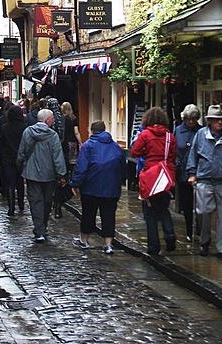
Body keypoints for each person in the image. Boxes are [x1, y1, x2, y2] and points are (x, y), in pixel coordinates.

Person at [186, 104, 222, 261]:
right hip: (204, 178)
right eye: (216, 120)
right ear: (210, 121)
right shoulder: (201, 134)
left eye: (221, 120)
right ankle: (205, 240)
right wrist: (192, 173)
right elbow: (193, 155)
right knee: (203, 211)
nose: (220, 123)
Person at [70, 120, 126, 254]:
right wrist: (119, 181)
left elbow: (81, 167)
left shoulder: (87, 146)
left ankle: (84, 240)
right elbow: (123, 168)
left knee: (88, 214)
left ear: (92, 131)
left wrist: (75, 183)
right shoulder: (116, 147)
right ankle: (108, 244)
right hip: (111, 188)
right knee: (109, 215)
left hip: (91, 187)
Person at [131, 107, 177, 256]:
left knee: (150, 212)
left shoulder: (145, 135)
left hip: (150, 175)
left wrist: (147, 153)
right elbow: (173, 156)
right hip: (165, 175)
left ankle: (153, 246)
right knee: (163, 208)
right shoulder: (170, 137)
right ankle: (169, 236)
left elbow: (134, 152)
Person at [17, 109, 66, 242]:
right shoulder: (53, 135)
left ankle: (39, 230)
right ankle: (42, 227)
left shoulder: (28, 132)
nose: (54, 120)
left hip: (31, 173)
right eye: (52, 118)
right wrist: (61, 174)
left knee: (35, 202)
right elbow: (57, 156)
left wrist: (19, 165)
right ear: (47, 120)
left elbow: (22, 151)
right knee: (46, 201)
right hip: (49, 173)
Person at [174, 104, 201, 241]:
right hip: (182, 173)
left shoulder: (201, 131)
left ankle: (200, 230)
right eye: (188, 119)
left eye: (194, 119)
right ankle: (189, 231)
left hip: (199, 172)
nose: (191, 121)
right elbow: (174, 150)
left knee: (200, 204)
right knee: (187, 203)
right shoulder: (178, 131)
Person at [0, 105, 26, 215]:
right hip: (21, 158)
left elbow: (1, 144)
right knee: (20, 182)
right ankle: (21, 205)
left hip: (8, 158)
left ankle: (11, 207)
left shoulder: (4, 127)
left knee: (10, 183)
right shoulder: (24, 127)